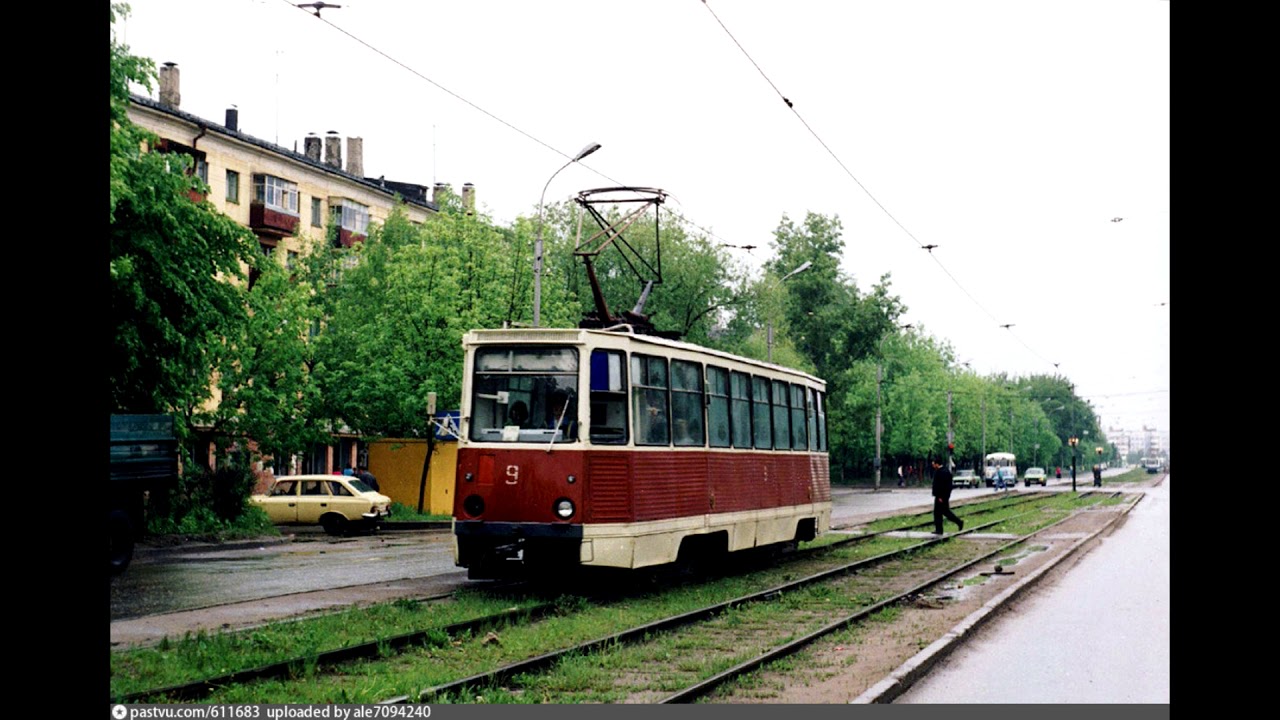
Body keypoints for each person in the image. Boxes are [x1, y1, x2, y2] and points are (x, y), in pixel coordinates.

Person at [931, 458, 964, 535]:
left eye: (933, 464)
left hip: (941, 497)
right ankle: (939, 529)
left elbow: (943, 486)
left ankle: (958, 522)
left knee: (941, 512)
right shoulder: (943, 471)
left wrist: (941, 497)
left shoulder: (942, 472)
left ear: (937, 464)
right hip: (941, 496)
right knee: (941, 512)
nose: (933, 466)